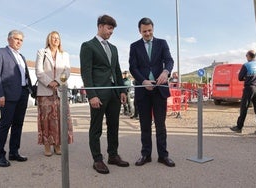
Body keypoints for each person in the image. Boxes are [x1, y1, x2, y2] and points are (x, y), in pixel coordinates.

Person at [80, 15, 129, 174]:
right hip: (98, 94)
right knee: (96, 128)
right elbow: (86, 73)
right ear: (100, 26)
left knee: (114, 125)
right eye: (109, 28)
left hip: (114, 93)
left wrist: (122, 90)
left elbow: (116, 70)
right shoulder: (88, 46)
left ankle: (113, 155)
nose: (110, 32)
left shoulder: (113, 48)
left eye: (112, 30)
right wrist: (91, 95)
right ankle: (97, 159)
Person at [129, 17, 175, 167]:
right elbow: (133, 68)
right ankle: (146, 155)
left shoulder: (162, 43)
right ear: (139, 31)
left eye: (149, 30)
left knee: (161, 125)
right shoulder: (134, 46)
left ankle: (163, 155)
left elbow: (169, 60)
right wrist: (143, 81)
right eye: (144, 31)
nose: (147, 33)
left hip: (159, 89)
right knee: (145, 125)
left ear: (153, 29)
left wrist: (166, 72)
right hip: (143, 90)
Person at [35, 31, 73, 157]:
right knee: (46, 119)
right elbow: (39, 71)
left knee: (60, 118)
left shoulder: (65, 54)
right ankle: (47, 145)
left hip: (60, 90)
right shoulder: (42, 52)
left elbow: (67, 71)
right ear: (49, 40)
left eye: (57, 38)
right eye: (53, 38)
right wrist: (49, 82)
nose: (55, 40)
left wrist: (57, 81)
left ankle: (57, 145)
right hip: (45, 91)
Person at [0, 30, 33, 167]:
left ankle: (14, 152)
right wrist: (0, 94)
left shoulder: (22, 57)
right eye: (16, 39)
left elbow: (24, 75)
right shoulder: (1, 53)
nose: (19, 42)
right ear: (9, 39)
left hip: (23, 94)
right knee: (5, 125)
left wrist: (30, 89)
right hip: (7, 96)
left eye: (21, 40)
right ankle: (0, 154)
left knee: (18, 124)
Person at [230, 50, 256, 135]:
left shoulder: (246, 65)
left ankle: (239, 127)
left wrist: (247, 78)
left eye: (246, 55)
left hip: (249, 88)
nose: (246, 56)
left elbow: (240, 77)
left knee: (244, 108)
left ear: (249, 56)